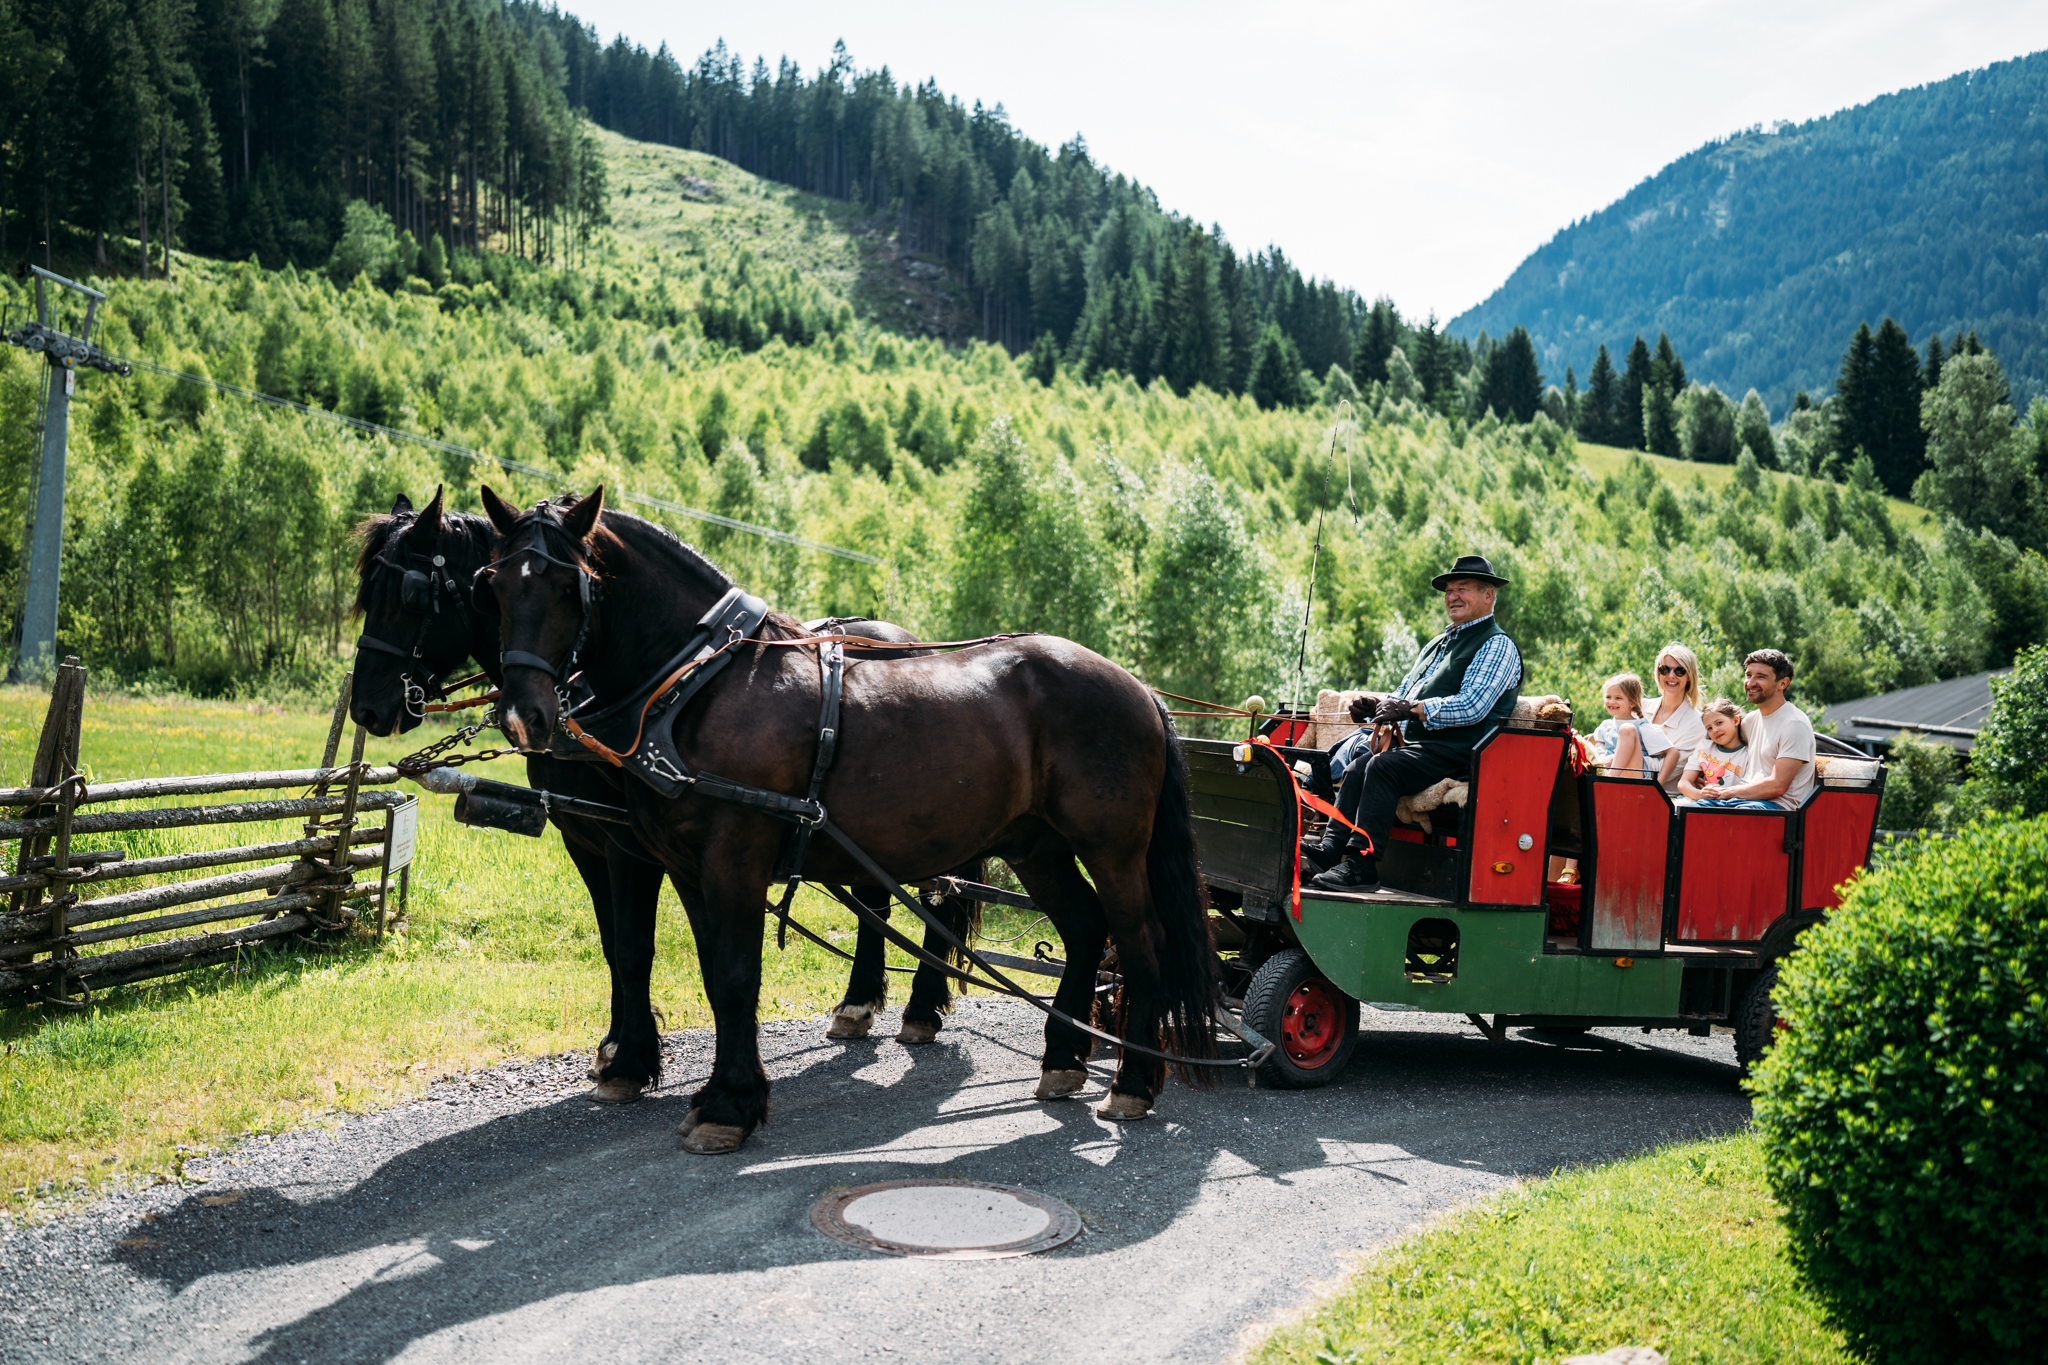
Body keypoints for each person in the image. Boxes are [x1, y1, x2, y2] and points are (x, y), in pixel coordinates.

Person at [1304, 554, 1522, 892]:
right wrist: (1375, 707)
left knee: (1381, 767)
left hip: (1462, 753)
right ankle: (1330, 850)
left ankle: (1362, 867)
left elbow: (1472, 707)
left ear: (1488, 595)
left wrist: (1410, 709)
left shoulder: (1497, 645)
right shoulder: (1438, 644)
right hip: (1422, 749)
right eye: (1449, 590)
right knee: (1358, 767)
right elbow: (1404, 693)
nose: (1453, 596)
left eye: (1462, 588)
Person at [1692, 650, 1815, 810]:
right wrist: (1704, 771)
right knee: (1691, 810)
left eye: (1760, 677)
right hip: (1742, 798)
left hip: (1778, 807)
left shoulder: (1795, 725)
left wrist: (1727, 792)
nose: (1750, 683)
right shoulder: (1751, 720)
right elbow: (1724, 742)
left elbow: (1777, 786)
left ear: (1783, 683)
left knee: (1738, 815)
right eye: (1748, 675)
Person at [1644, 642, 1707, 792]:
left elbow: (1667, 772)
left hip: (1666, 799)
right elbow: (1609, 740)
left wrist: (1621, 757)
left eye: (1680, 671)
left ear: (1689, 676)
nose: (1671, 676)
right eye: (1664, 669)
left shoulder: (1698, 724)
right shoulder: (1640, 707)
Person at [1595, 672, 1671, 781]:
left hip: (1634, 778)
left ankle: (1609, 779)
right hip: (1613, 776)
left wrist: (1659, 783)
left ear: (1632, 702)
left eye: (1618, 698)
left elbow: (1673, 753)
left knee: (1627, 729)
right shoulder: (1606, 726)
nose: (1611, 701)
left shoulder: (1641, 727)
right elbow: (1589, 741)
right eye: (1608, 697)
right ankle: (1607, 780)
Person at [1676, 698, 1749, 800]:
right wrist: (1699, 794)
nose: (1715, 730)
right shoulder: (1704, 748)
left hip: (1732, 802)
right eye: (1709, 728)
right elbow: (1683, 783)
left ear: (1735, 720)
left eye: (1719, 723)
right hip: (1703, 801)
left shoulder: (1748, 754)